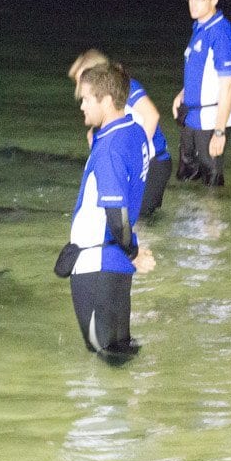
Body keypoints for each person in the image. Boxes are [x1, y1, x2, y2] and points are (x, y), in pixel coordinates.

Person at [69, 63, 156, 365]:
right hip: (115, 267)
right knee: (122, 354)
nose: (81, 105)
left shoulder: (110, 149)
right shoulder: (136, 133)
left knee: (102, 359)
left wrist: (132, 251)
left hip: (98, 264)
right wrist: (130, 250)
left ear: (106, 101)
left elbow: (115, 212)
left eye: (86, 99)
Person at [68, 49, 171, 217]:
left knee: (138, 222)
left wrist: (134, 154)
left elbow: (152, 116)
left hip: (154, 161)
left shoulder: (125, 88)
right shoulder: (101, 116)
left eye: (85, 77)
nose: (81, 86)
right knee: (137, 220)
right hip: (139, 163)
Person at [172, 0, 231, 187]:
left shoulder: (222, 33)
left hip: (211, 119)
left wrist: (219, 132)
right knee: (186, 178)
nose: (193, 4)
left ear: (214, 0)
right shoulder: (199, 27)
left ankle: (214, 218)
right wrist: (183, 94)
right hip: (191, 117)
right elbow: (200, 70)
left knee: (212, 182)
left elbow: (228, 86)